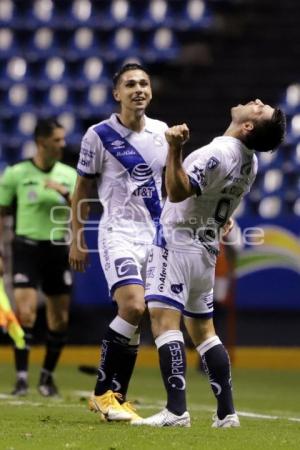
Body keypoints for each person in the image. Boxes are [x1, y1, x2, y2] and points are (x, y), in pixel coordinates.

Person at [131, 99, 286, 428]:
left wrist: (174, 149)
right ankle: (227, 413)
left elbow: (176, 192)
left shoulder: (217, 153)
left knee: (163, 322)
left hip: (177, 242)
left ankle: (175, 411)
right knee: (204, 332)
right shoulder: (250, 163)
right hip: (205, 250)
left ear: (248, 127)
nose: (256, 102)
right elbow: (224, 209)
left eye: (260, 110)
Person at [69, 63, 169, 421]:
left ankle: (115, 397)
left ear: (151, 91)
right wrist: (76, 238)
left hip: (156, 236)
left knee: (142, 317)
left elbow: (172, 186)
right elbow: (81, 188)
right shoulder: (98, 135)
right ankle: (101, 393)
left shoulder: (163, 134)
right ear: (117, 94)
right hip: (117, 233)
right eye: (130, 84)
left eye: (144, 83)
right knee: (132, 306)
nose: (138, 89)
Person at [0, 118, 77, 396]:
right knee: (26, 312)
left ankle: (46, 377)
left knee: (60, 320)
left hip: (57, 250)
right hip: (26, 249)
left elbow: (84, 211)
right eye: (57, 140)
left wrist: (66, 194)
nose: (62, 144)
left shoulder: (69, 175)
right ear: (41, 142)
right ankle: (21, 377)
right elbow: (2, 212)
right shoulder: (16, 173)